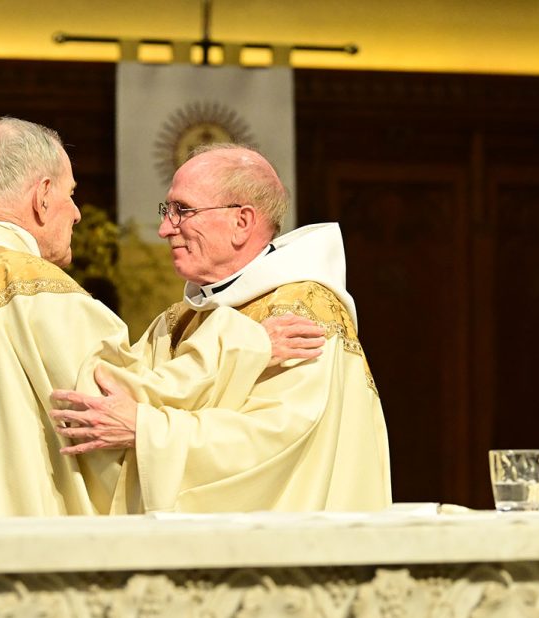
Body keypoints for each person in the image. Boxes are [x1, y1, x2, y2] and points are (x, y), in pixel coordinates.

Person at [0, 118, 324, 518]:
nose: (76, 213)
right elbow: (124, 400)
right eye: (69, 194)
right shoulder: (37, 294)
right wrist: (247, 344)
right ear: (42, 196)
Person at [52, 143, 392, 513]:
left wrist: (145, 431)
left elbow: (273, 443)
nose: (165, 228)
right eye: (168, 211)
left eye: (182, 210)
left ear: (241, 222)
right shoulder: (178, 319)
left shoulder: (303, 311)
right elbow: (112, 394)